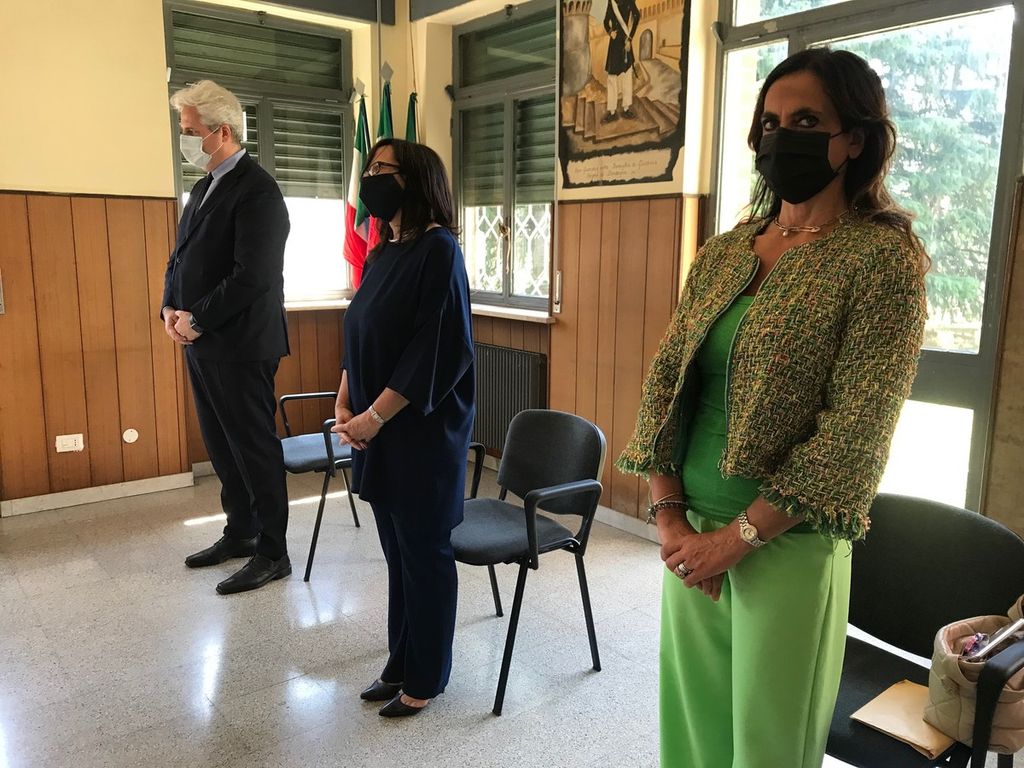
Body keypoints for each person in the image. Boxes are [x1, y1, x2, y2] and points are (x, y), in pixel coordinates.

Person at [617, 48, 929, 768]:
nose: (781, 136)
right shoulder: (725, 251)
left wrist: (736, 541)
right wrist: (670, 518)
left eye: (807, 121)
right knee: (693, 738)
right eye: (770, 122)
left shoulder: (880, 260)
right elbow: (666, 382)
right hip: (689, 532)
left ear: (854, 140)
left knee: (767, 749)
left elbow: (856, 431)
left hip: (787, 544)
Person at [332, 139, 474, 717]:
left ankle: (427, 676)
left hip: (419, 433)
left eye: (381, 169)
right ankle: (400, 660)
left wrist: (374, 416)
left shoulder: (439, 249)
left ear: (414, 179)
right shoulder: (382, 253)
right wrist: (346, 399)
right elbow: (359, 332)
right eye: (368, 168)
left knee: (424, 554)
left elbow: (435, 350)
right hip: (375, 427)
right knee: (397, 554)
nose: (369, 178)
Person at [163, 80, 292, 596]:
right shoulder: (203, 187)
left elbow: (253, 275)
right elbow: (180, 258)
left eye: (190, 130)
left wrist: (197, 319)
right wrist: (168, 308)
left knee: (253, 447)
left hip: (240, 343)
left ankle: (273, 551)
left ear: (221, 131)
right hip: (201, 341)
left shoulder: (258, 190)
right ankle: (241, 531)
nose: (184, 139)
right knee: (220, 444)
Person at [602, 0, 640, 123]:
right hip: (614, 44)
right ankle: (612, 111)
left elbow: (637, 16)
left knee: (627, 75)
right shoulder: (611, 2)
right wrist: (610, 32)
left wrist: (630, 38)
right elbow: (605, 21)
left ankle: (626, 108)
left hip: (625, 42)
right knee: (612, 78)